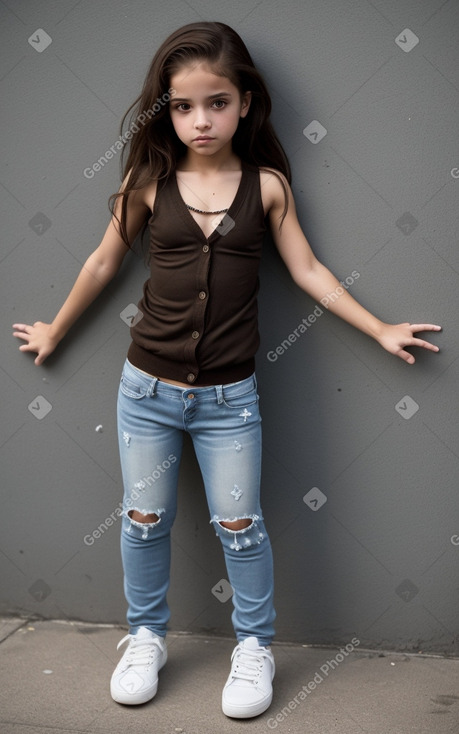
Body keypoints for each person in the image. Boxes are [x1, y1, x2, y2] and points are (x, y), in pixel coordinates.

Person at [12, 21, 441, 720]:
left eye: (215, 102)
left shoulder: (267, 186)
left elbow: (307, 271)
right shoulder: (147, 181)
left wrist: (379, 327)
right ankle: (145, 636)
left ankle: (253, 647)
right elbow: (102, 262)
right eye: (182, 107)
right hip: (144, 391)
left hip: (228, 402)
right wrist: (56, 330)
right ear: (166, 111)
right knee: (144, 519)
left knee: (239, 525)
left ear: (244, 103)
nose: (199, 120)